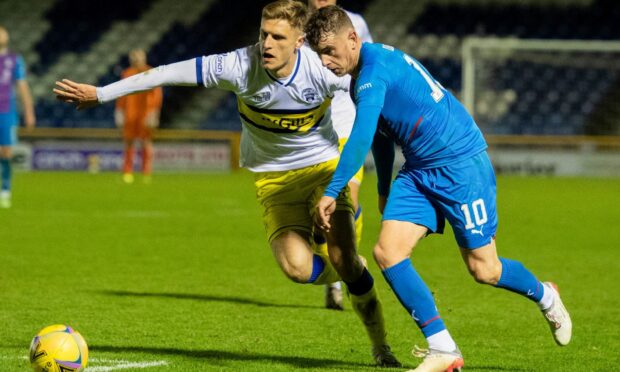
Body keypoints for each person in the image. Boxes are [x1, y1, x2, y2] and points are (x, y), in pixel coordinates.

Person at [53, 1, 400, 367]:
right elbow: (165, 73)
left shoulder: (324, 67)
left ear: (300, 41)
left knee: (341, 252)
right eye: (263, 33)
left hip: (324, 169)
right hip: (274, 181)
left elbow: (380, 100)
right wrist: (101, 93)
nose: (266, 43)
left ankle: (381, 347)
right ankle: (349, 269)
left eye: (277, 37)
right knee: (298, 269)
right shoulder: (238, 65)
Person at [307, 6, 572, 372]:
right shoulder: (360, 80)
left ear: (353, 39)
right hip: (419, 169)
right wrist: (384, 187)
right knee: (387, 252)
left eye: (329, 51)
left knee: (484, 269)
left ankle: (545, 295)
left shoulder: (374, 72)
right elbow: (381, 141)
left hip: (460, 164)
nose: (324, 62)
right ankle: (443, 348)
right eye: (319, 54)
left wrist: (331, 190)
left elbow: (362, 136)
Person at [307, 0, 374, 311]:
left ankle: (346, 268)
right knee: (318, 211)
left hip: (347, 126)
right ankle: (337, 271)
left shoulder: (354, 21)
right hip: (312, 131)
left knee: (348, 199)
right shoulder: (294, 25)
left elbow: (367, 63)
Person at [0, 26, 35, 209]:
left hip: (6, 111)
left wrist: (29, 111)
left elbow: (22, 86)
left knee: (6, 152)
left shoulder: (14, 60)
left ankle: (5, 190)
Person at [115, 49, 163, 184]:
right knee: (129, 142)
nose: (136, 60)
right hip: (130, 113)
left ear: (144, 58)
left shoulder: (151, 72)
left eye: (138, 58)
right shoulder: (126, 73)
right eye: (133, 58)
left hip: (145, 114)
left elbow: (157, 96)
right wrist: (119, 111)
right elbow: (121, 94)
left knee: (146, 142)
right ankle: (127, 171)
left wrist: (154, 113)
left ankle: (146, 172)